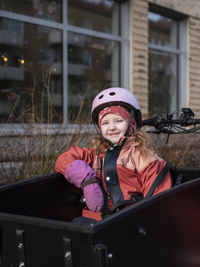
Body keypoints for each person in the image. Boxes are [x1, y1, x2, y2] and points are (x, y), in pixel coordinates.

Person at [55, 87, 172, 224]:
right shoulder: (96, 154)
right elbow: (63, 160)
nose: (111, 127)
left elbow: (158, 197)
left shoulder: (142, 155)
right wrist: (87, 181)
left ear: (132, 124)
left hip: (127, 222)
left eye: (118, 121)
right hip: (94, 220)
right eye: (105, 123)